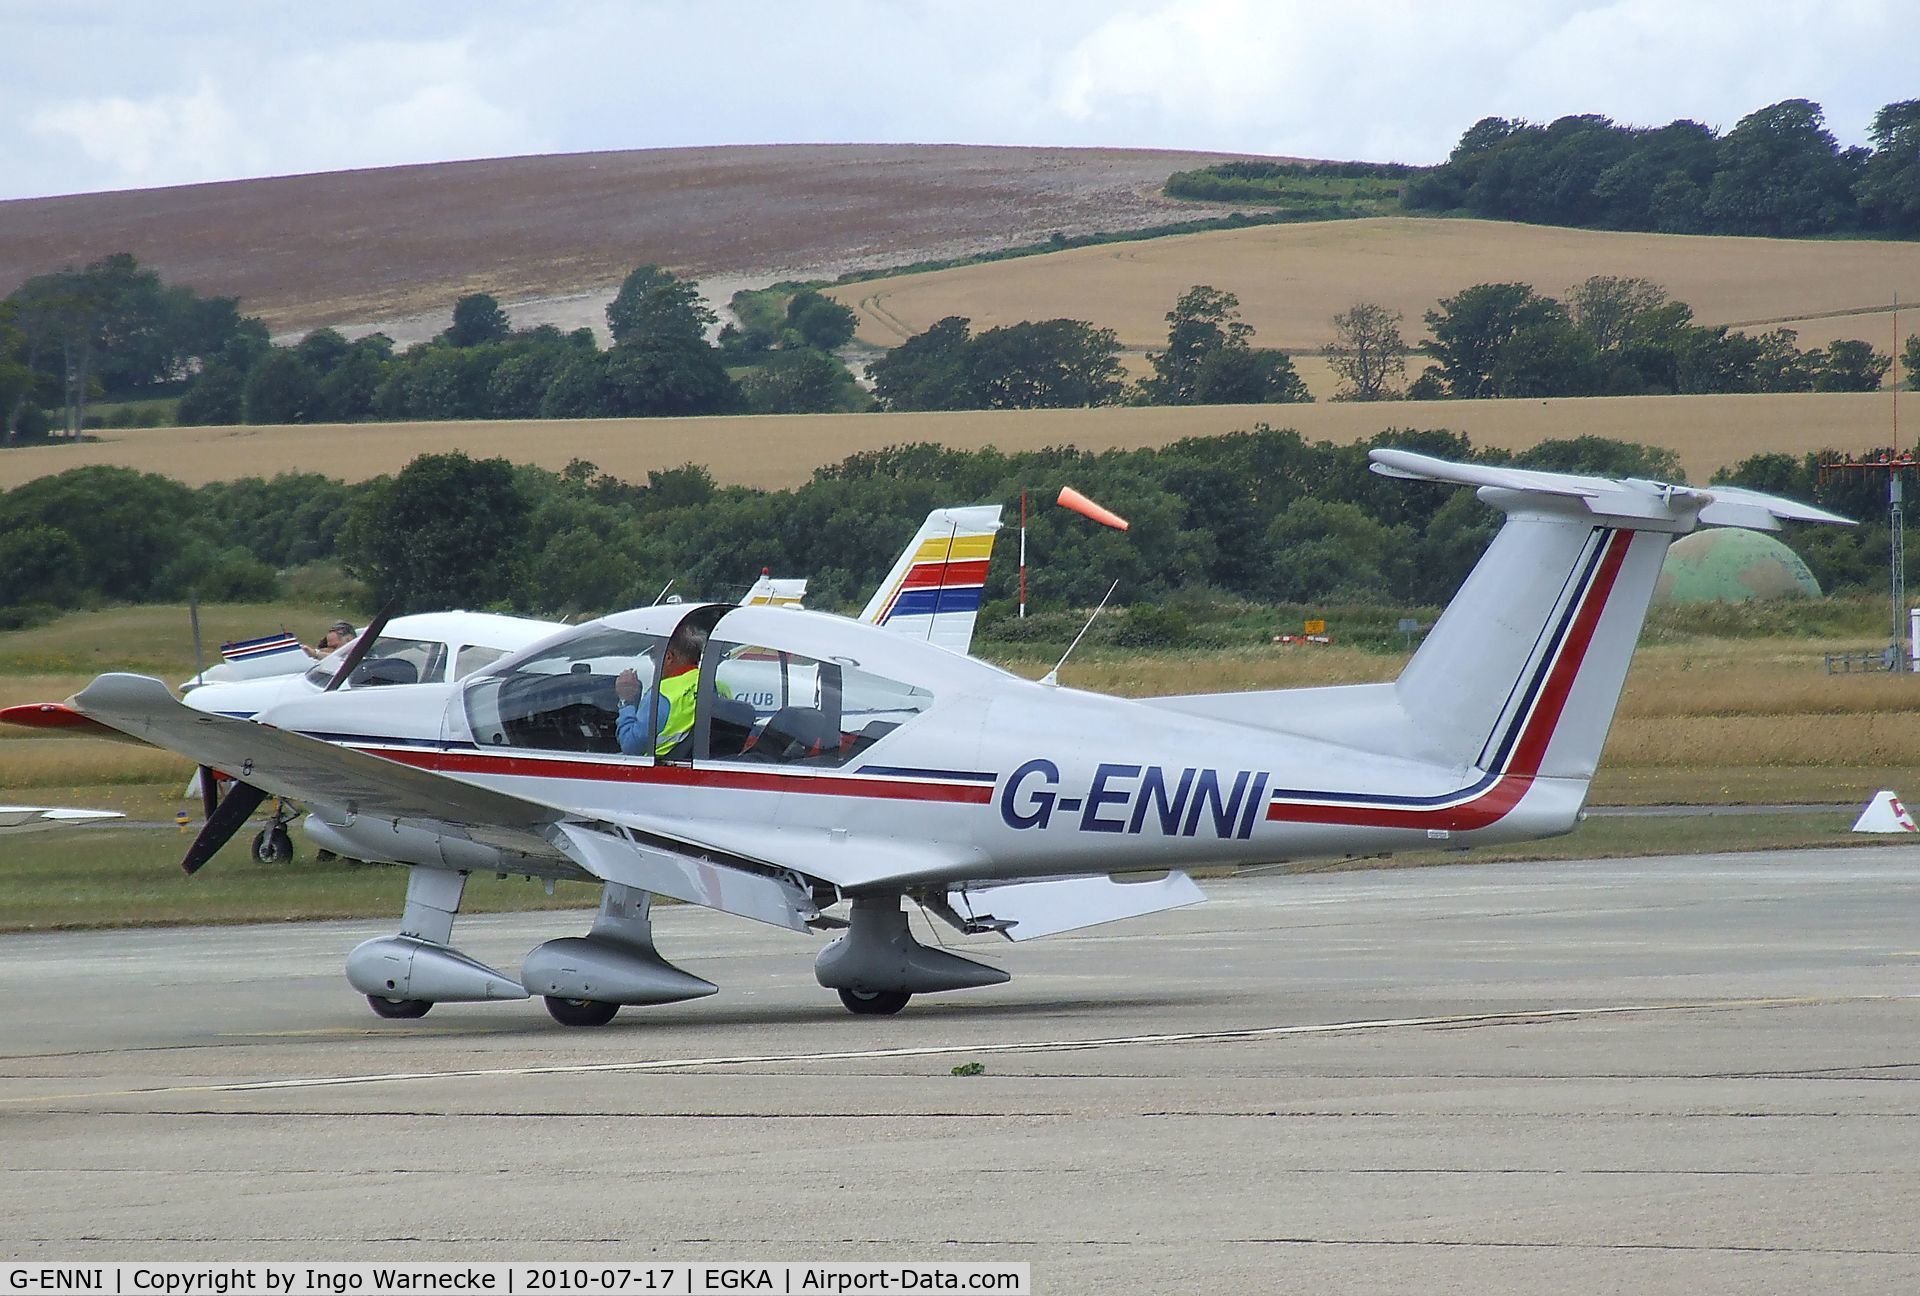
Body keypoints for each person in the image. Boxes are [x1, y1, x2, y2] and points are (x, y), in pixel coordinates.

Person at [614, 621, 730, 757]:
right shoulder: (718, 686)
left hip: (656, 772)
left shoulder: (661, 696)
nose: (654, 662)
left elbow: (630, 746)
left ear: (668, 657)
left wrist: (626, 701)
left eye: (654, 656)